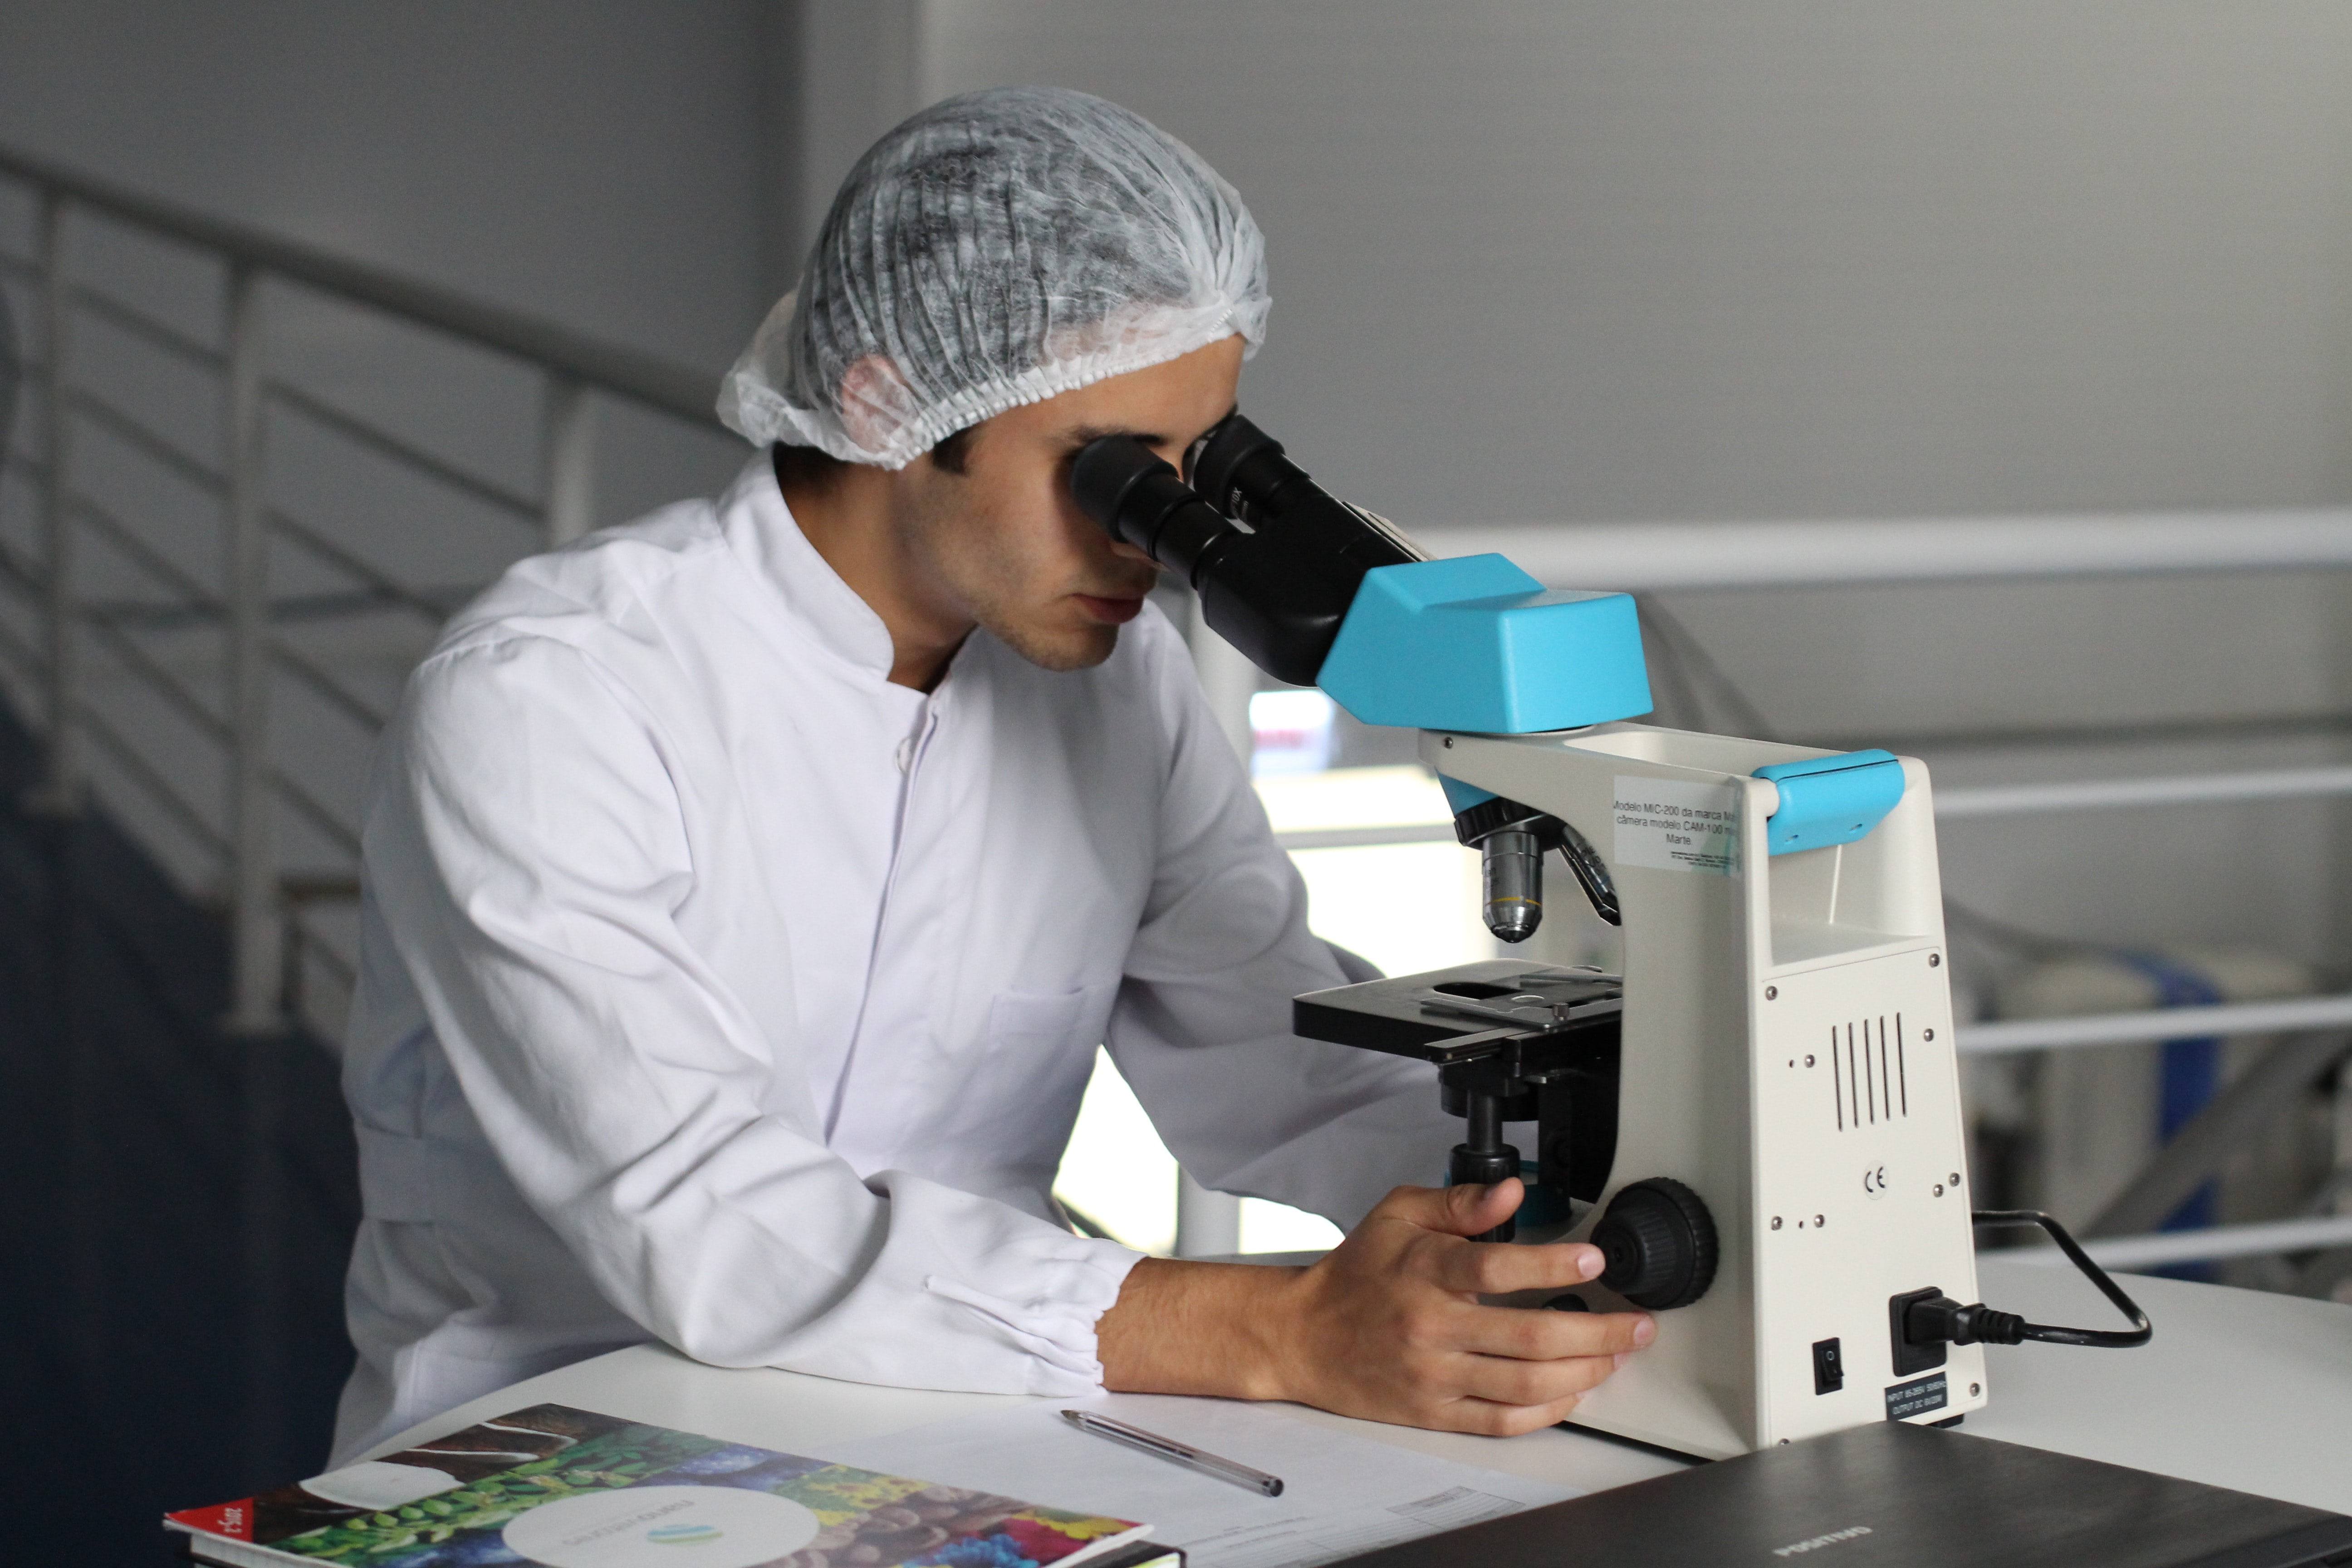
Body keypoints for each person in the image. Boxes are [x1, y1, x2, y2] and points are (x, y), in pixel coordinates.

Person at [330, 86, 1650, 1466]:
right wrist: (1283, 1330)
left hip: (972, 1426)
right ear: (889, 400)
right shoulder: (557, 699)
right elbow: (707, 1220)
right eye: (1118, 477)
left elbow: (1278, 1061)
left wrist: (1553, 1216)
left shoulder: (1114, 686)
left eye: (1202, 465)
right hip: (561, 1439)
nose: (1159, 541)